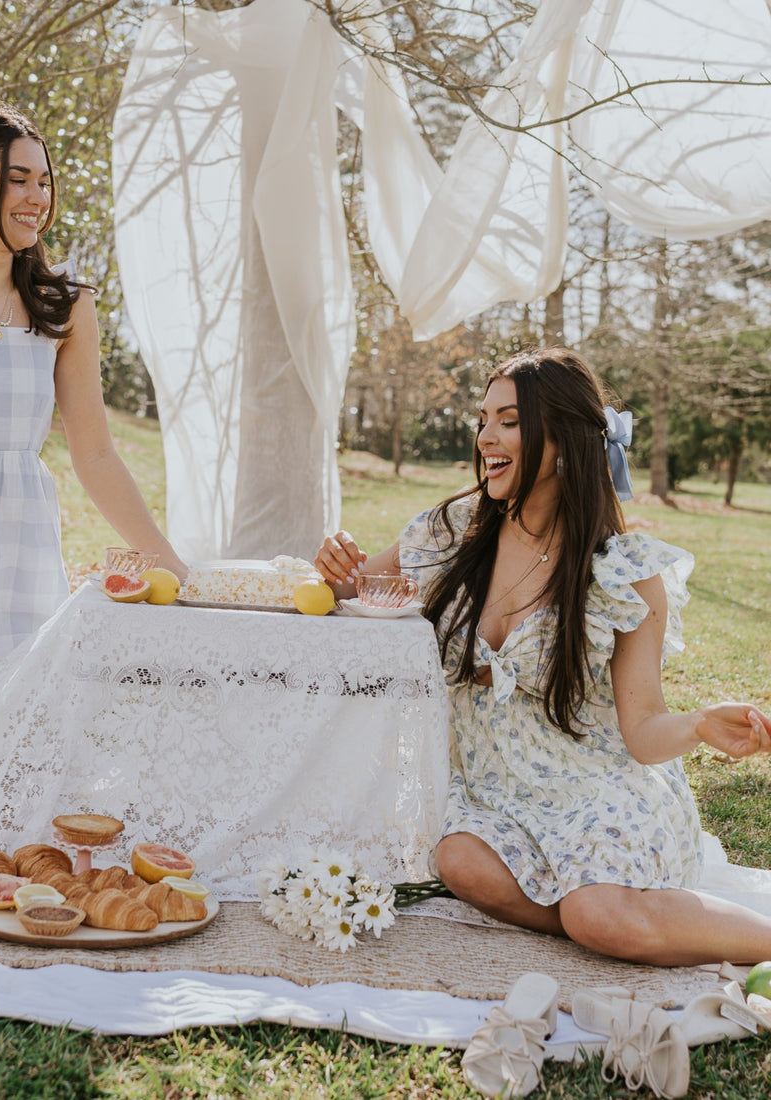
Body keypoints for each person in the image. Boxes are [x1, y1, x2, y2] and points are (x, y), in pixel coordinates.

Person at [316, 347, 771, 967]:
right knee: (458, 862)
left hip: (598, 791)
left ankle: (618, 915)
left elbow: (641, 733)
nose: (485, 437)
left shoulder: (624, 575)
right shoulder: (451, 531)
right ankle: (598, 916)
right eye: (483, 419)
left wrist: (696, 725)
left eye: (508, 421)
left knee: (598, 913)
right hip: (495, 792)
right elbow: (355, 588)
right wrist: (337, 564)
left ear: (561, 441)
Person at [0, 92, 188, 748]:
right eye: (18, 179)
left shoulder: (64, 308)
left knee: (13, 752)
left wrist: (172, 565)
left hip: (15, 574)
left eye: (44, 181)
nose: (37, 197)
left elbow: (97, 454)